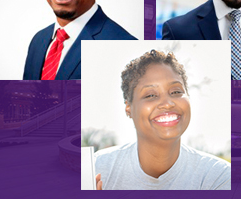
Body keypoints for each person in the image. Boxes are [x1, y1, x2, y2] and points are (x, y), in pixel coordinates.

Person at [94, 50, 231, 190]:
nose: (167, 103)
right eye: (150, 95)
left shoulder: (218, 176)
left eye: (176, 92)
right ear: (129, 108)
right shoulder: (96, 169)